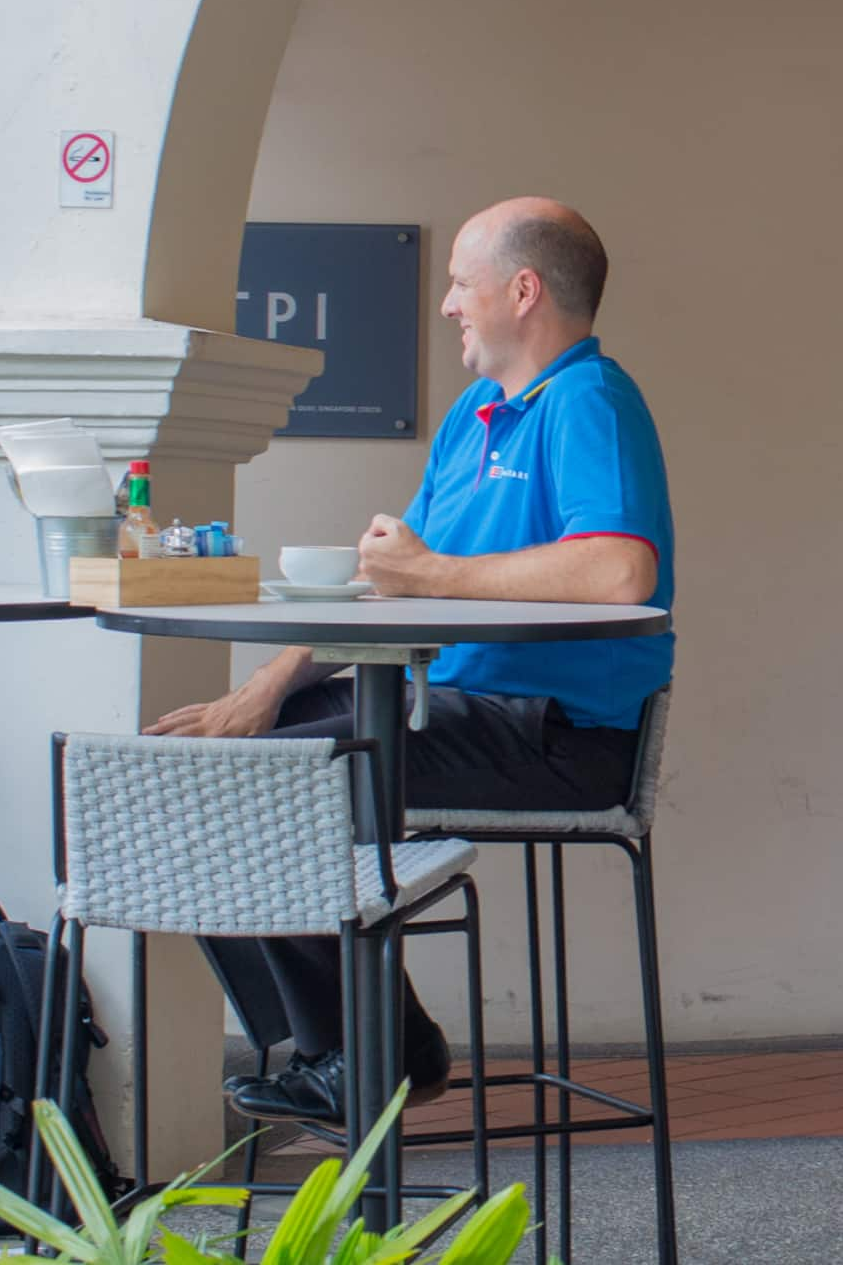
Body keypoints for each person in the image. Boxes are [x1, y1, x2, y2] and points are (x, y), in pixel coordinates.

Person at [147, 196, 674, 1125]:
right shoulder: (476, 412)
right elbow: (395, 582)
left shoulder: (591, 400)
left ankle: (361, 1050)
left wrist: (433, 570)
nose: (446, 307)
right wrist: (263, 691)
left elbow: (621, 568)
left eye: (459, 285)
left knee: (262, 786)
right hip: (444, 710)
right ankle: (374, 1043)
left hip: (556, 738)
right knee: (194, 772)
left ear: (522, 290)